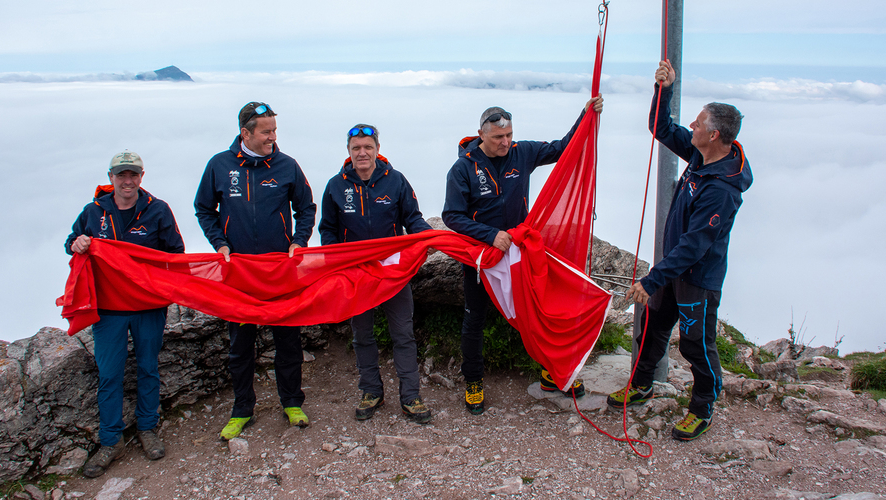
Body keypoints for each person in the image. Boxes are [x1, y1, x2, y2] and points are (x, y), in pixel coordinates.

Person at [606, 60, 752, 441]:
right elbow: (661, 127)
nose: (692, 127)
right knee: (652, 329)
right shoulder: (703, 156)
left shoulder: (721, 188)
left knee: (695, 343)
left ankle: (702, 407)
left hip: (696, 280)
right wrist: (664, 89)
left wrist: (652, 279)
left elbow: (695, 245)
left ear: (714, 134)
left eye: (699, 123)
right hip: (672, 271)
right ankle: (642, 385)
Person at [442, 96, 604, 414]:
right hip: (480, 258)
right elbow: (452, 216)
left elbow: (563, 148)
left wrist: (585, 116)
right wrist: (491, 235)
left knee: (536, 311)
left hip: (518, 253)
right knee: (475, 320)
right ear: (481, 135)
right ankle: (473, 382)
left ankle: (551, 375)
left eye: (509, 135)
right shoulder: (463, 169)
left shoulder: (523, 152)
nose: (505, 142)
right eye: (498, 137)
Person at [194, 102, 317, 440]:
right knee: (240, 345)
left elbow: (306, 207)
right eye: (267, 131)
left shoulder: (287, 165)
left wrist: (299, 241)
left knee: (287, 339)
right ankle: (242, 410)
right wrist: (219, 242)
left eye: (275, 130)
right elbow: (203, 208)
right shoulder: (219, 165)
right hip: (240, 274)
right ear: (245, 133)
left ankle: (292, 403)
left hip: (280, 270)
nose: (273, 137)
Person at [65, 151, 185, 477]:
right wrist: (77, 243)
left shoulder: (157, 210)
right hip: (109, 310)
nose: (127, 181)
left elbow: (176, 253)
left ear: (142, 177)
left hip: (148, 306)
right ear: (111, 177)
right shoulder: (94, 212)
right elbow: (70, 241)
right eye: (121, 175)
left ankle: (147, 429)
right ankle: (110, 440)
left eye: (133, 175)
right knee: (109, 375)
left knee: (148, 368)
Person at [319, 124, 434, 424]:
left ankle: (411, 396)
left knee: (403, 334)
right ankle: (371, 391)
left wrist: (428, 238)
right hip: (356, 275)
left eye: (367, 147)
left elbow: (413, 219)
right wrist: (336, 262)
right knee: (362, 336)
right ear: (348, 152)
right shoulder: (336, 185)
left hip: (393, 273)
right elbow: (327, 231)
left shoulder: (395, 181)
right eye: (356, 148)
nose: (362, 153)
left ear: (377, 150)